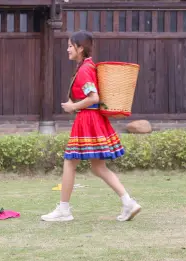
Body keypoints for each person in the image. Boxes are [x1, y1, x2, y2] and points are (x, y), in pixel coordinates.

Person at [41, 31, 141, 224]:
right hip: (94, 119)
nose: (68, 49)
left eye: (71, 46)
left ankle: (64, 210)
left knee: (70, 162)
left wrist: (73, 106)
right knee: (98, 167)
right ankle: (128, 202)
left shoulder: (85, 70)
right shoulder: (86, 67)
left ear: (80, 48)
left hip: (87, 119)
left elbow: (94, 97)